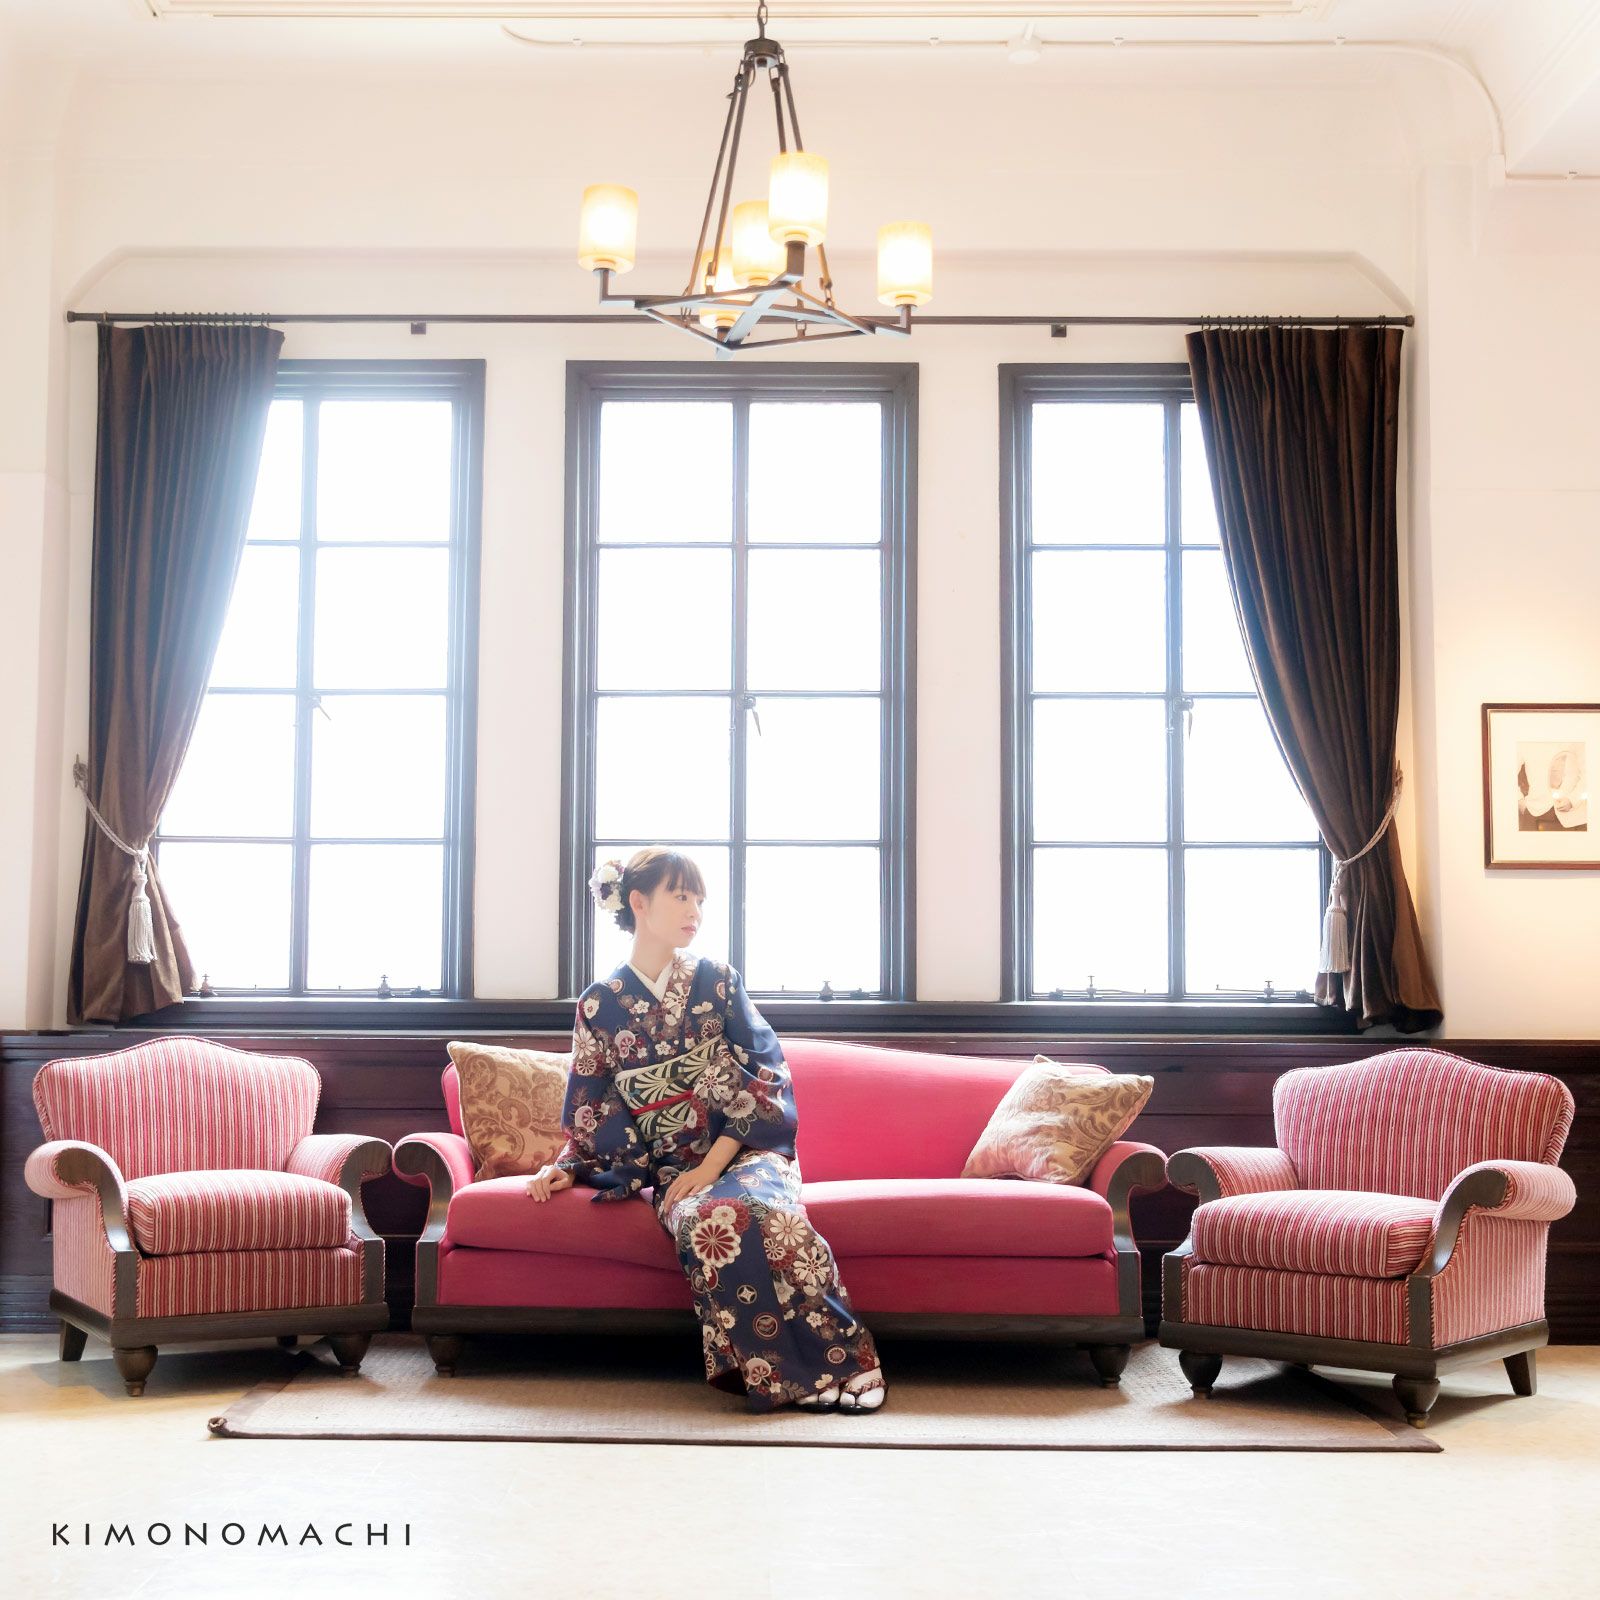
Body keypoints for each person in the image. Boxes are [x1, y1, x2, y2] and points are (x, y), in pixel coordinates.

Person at [523, 845, 887, 1414]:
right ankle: (798, 1378)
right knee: (704, 1224)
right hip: (675, 1168)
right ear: (638, 902)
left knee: (762, 1211)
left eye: (699, 898)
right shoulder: (598, 1006)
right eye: (681, 896)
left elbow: (766, 1071)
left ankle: (851, 1362)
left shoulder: (718, 982)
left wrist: (713, 1165)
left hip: (745, 1150)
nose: (695, 910)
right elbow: (593, 1104)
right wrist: (568, 1165)